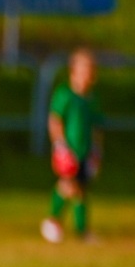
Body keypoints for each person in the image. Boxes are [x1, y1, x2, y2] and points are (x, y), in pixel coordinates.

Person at [41, 48, 104, 244]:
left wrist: (96, 151)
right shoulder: (65, 94)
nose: (88, 74)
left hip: (86, 151)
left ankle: (79, 230)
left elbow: (96, 127)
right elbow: (54, 120)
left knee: (81, 189)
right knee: (69, 185)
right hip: (68, 150)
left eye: (91, 69)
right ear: (73, 71)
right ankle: (53, 222)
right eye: (84, 69)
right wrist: (60, 145)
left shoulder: (91, 99)